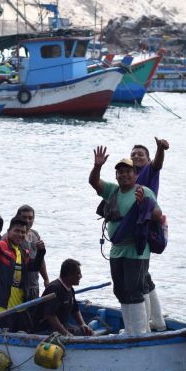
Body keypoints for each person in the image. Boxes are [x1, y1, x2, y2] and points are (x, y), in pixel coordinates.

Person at [89, 146, 161, 335]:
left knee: (134, 290)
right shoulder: (113, 191)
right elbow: (94, 182)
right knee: (120, 290)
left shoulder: (143, 191)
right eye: (120, 172)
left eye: (128, 172)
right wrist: (97, 166)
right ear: (116, 176)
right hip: (116, 250)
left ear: (135, 175)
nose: (124, 175)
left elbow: (157, 214)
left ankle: (139, 334)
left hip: (136, 251)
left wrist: (143, 204)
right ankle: (131, 331)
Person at [0, 216, 45, 331]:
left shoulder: (23, 252)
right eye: (17, 231)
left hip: (20, 307)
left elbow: (34, 267)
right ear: (8, 232)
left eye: (23, 232)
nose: (20, 234)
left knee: (29, 332)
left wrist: (41, 252)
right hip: (1, 307)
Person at [131, 137, 169, 331]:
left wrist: (159, 149)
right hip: (137, 229)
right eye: (133, 154)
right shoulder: (129, 177)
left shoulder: (148, 173)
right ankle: (159, 321)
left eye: (141, 154)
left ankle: (144, 325)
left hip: (143, 229)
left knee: (138, 279)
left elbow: (157, 164)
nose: (136, 156)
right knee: (144, 275)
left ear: (147, 159)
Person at [34, 259, 94, 336]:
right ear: (69, 275)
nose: (81, 276)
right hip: (45, 330)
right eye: (78, 274)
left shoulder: (70, 288)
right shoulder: (54, 288)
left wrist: (83, 324)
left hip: (62, 327)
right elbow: (50, 315)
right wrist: (65, 333)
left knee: (88, 332)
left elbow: (75, 309)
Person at [3, 205, 49, 301]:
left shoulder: (35, 234)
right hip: (17, 287)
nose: (28, 221)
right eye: (24, 217)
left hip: (34, 285)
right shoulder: (9, 237)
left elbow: (40, 260)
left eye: (30, 218)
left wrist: (46, 279)